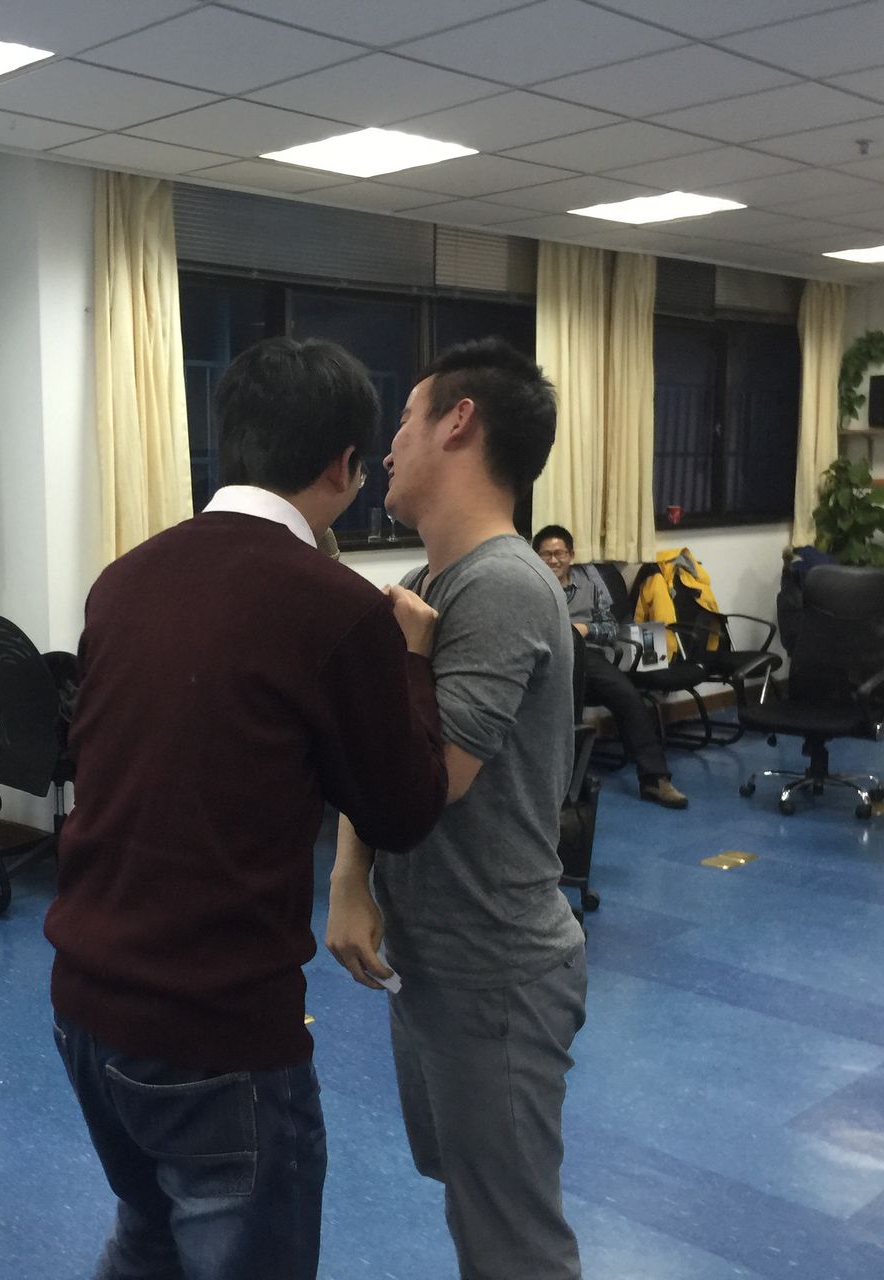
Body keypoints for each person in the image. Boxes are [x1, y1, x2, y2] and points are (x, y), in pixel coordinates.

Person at [45, 336, 450, 1280]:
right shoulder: (334, 608)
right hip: (214, 1034)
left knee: (148, 1235)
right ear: (345, 467)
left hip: (85, 1009)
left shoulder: (123, 580)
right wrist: (411, 661)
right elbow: (403, 810)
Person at [326, 337, 587, 1280]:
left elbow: (428, 781)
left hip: (497, 970)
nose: (389, 445)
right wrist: (349, 878)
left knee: (512, 1241)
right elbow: (371, 759)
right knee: (472, 1202)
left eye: (404, 419)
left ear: (458, 423)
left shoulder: (502, 585)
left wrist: (399, 658)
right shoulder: (430, 587)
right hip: (433, 955)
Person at [531, 524, 688, 809]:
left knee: (628, 696)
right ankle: (564, 785)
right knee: (561, 703)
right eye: (546, 555)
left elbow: (611, 627)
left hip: (589, 657)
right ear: (536, 557)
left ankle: (654, 779)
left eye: (559, 553)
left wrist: (586, 629)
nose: (553, 560)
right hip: (549, 661)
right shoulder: (530, 587)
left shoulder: (590, 584)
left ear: (571, 555)